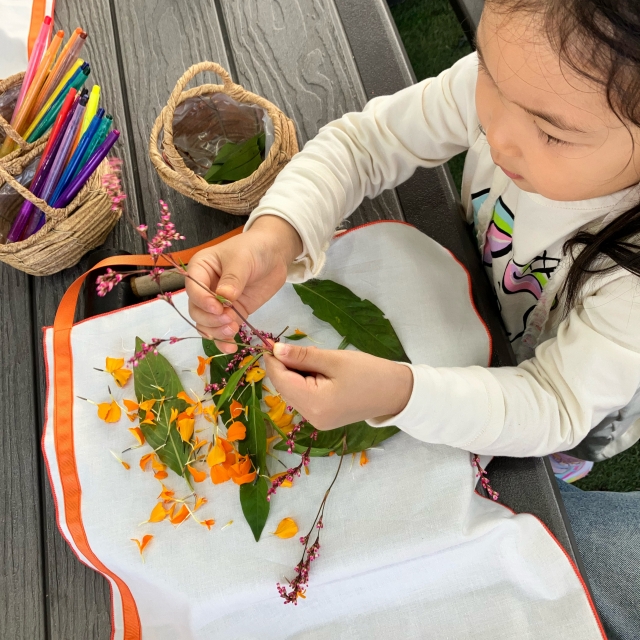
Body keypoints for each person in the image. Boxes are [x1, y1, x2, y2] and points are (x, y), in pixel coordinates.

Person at [186, 1, 640, 636]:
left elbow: (557, 403)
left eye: (552, 134)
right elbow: (366, 141)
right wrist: (277, 232)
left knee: (542, 468)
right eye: (488, 72)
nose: (498, 132)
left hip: (571, 404)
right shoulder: (526, 80)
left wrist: (398, 392)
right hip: (476, 301)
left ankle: (563, 476)